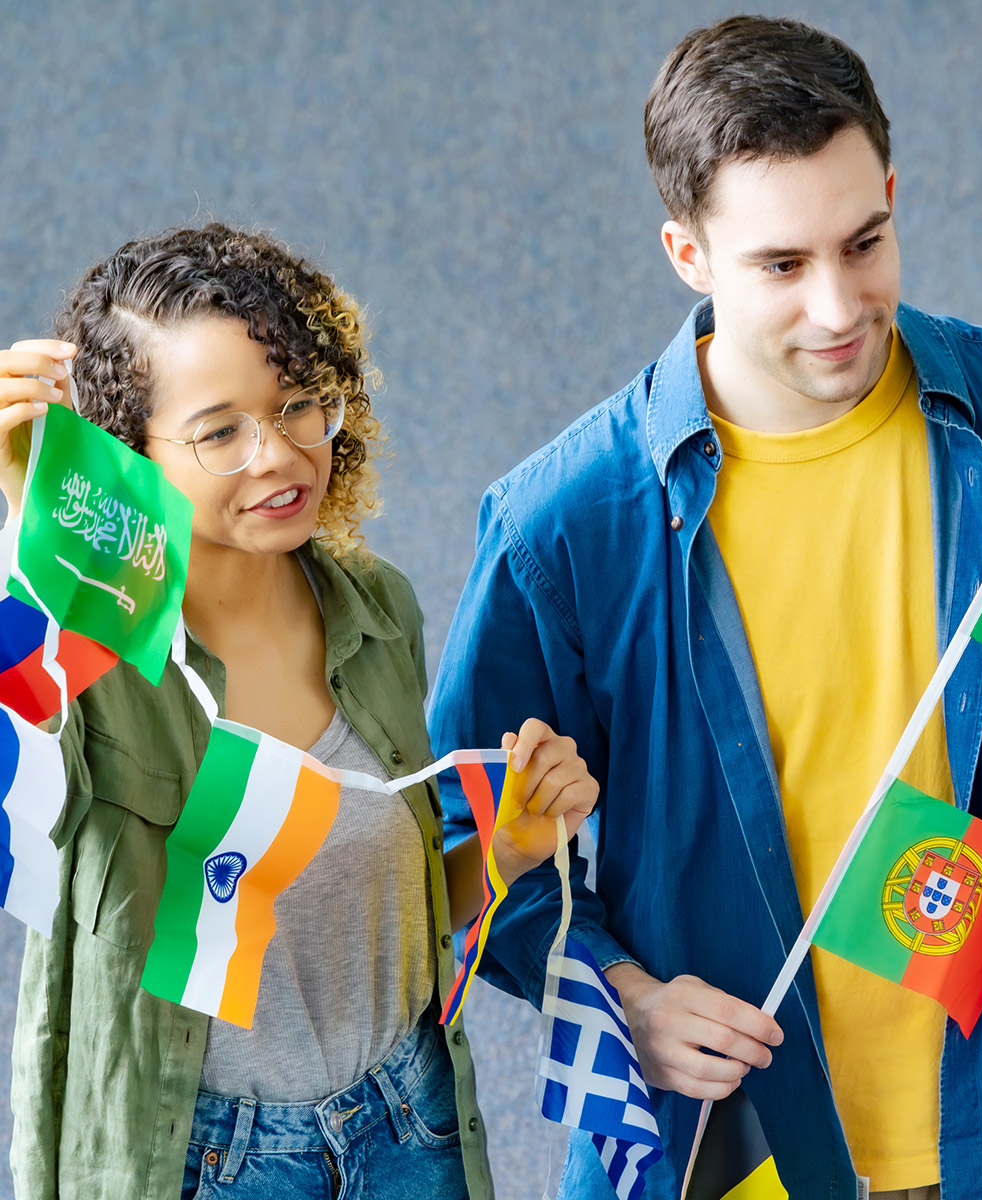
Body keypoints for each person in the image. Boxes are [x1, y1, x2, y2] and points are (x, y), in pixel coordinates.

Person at [427, 15, 982, 1200]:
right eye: (782, 266)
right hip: (748, 1144)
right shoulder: (564, 526)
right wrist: (624, 995)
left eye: (867, 241)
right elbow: (466, 846)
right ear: (688, 253)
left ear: (891, 192)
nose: (839, 307)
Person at [0, 223, 600, 1200]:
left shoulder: (377, 611)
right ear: (124, 454)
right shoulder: (88, 661)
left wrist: (509, 847)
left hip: (408, 1117)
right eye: (221, 430)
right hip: (209, 1154)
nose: (279, 456)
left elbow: (401, 922)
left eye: (298, 407)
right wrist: (21, 523)